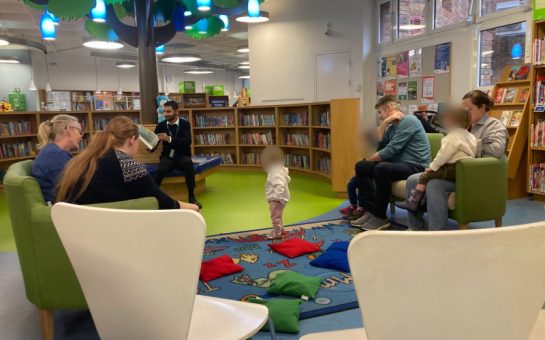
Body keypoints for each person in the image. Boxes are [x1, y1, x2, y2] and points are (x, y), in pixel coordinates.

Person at [405, 90, 508, 231]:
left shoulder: (494, 125)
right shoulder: (462, 125)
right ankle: (415, 227)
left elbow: (497, 149)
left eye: (469, 109)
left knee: (435, 184)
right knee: (413, 180)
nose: (464, 113)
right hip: (454, 171)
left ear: (482, 108)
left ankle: (437, 232)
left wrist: (467, 143)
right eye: (463, 109)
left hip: (475, 175)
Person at [56, 116, 199, 211]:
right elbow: (163, 203)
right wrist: (194, 208)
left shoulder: (83, 159)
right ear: (132, 139)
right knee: (191, 214)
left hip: (76, 228)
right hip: (107, 228)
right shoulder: (126, 164)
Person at [351, 95, 430, 230]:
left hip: (416, 165)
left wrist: (369, 158)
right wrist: (384, 124)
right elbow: (380, 150)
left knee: (382, 168)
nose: (380, 116)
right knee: (362, 166)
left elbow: (390, 152)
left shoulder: (409, 121)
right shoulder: (391, 126)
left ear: (388, 108)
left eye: (380, 113)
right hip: (399, 165)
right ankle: (370, 212)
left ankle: (380, 217)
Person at [396, 106, 477, 211]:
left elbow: (443, 155)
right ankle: (423, 199)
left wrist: (432, 167)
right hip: (463, 170)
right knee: (429, 178)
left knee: (424, 177)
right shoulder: (471, 136)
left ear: (452, 121)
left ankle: (413, 202)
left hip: (451, 168)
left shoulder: (451, 137)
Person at [151, 100, 201, 208]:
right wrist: (150, 146)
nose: (165, 114)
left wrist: (169, 139)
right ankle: (153, 197)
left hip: (182, 156)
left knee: (188, 163)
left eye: (168, 111)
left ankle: (191, 196)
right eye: (164, 111)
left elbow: (187, 142)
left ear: (176, 112)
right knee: (161, 168)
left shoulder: (185, 124)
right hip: (167, 156)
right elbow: (154, 144)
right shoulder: (161, 125)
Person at [32, 114, 83, 204]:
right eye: (80, 132)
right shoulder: (54, 155)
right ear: (69, 130)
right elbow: (72, 191)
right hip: (65, 211)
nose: (81, 137)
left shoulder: (54, 153)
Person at [261, 145, 290, 239]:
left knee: (275, 216)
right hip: (281, 197)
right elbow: (286, 180)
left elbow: (280, 185)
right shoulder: (280, 168)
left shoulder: (274, 171)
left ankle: (277, 233)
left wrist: (277, 198)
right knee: (278, 215)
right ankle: (280, 230)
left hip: (276, 199)